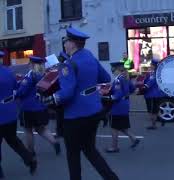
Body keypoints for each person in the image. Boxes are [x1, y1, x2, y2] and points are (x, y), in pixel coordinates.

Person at [40, 27, 119, 180]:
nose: (65, 44)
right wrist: (86, 87)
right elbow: (104, 77)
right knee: (90, 150)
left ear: (73, 44)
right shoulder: (89, 56)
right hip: (94, 111)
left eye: (66, 41)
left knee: (73, 155)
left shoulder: (68, 64)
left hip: (75, 117)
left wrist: (49, 99)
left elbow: (67, 94)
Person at [0, 51, 37, 178]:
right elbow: (16, 87)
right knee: (13, 140)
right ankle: (29, 160)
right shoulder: (8, 72)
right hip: (10, 112)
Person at [15, 56, 61, 159]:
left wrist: (16, 92)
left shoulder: (30, 75)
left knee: (28, 130)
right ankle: (54, 143)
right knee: (41, 129)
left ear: (32, 63)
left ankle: (31, 152)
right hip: (41, 106)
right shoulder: (44, 75)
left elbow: (22, 91)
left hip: (28, 108)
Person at [105, 62, 140, 153]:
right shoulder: (125, 78)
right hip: (125, 105)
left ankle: (114, 147)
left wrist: (109, 97)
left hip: (117, 107)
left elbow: (117, 94)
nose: (112, 71)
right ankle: (133, 138)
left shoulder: (118, 80)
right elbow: (133, 89)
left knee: (114, 127)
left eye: (113, 69)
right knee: (121, 125)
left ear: (116, 70)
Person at [143, 59, 166, 129]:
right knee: (155, 109)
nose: (150, 66)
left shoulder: (155, 74)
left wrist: (145, 86)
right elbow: (145, 80)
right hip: (156, 94)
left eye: (151, 65)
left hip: (152, 94)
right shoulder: (153, 73)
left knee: (151, 110)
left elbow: (150, 82)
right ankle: (161, 119)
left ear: (154, 66)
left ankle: (153, 125)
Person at [55, 51, 69, 138]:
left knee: (60, 114)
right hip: (61, 92)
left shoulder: (63, 67)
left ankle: (61, 132)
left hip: (61, 92)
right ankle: (61, 131)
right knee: (61, 114)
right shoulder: (61, 66)